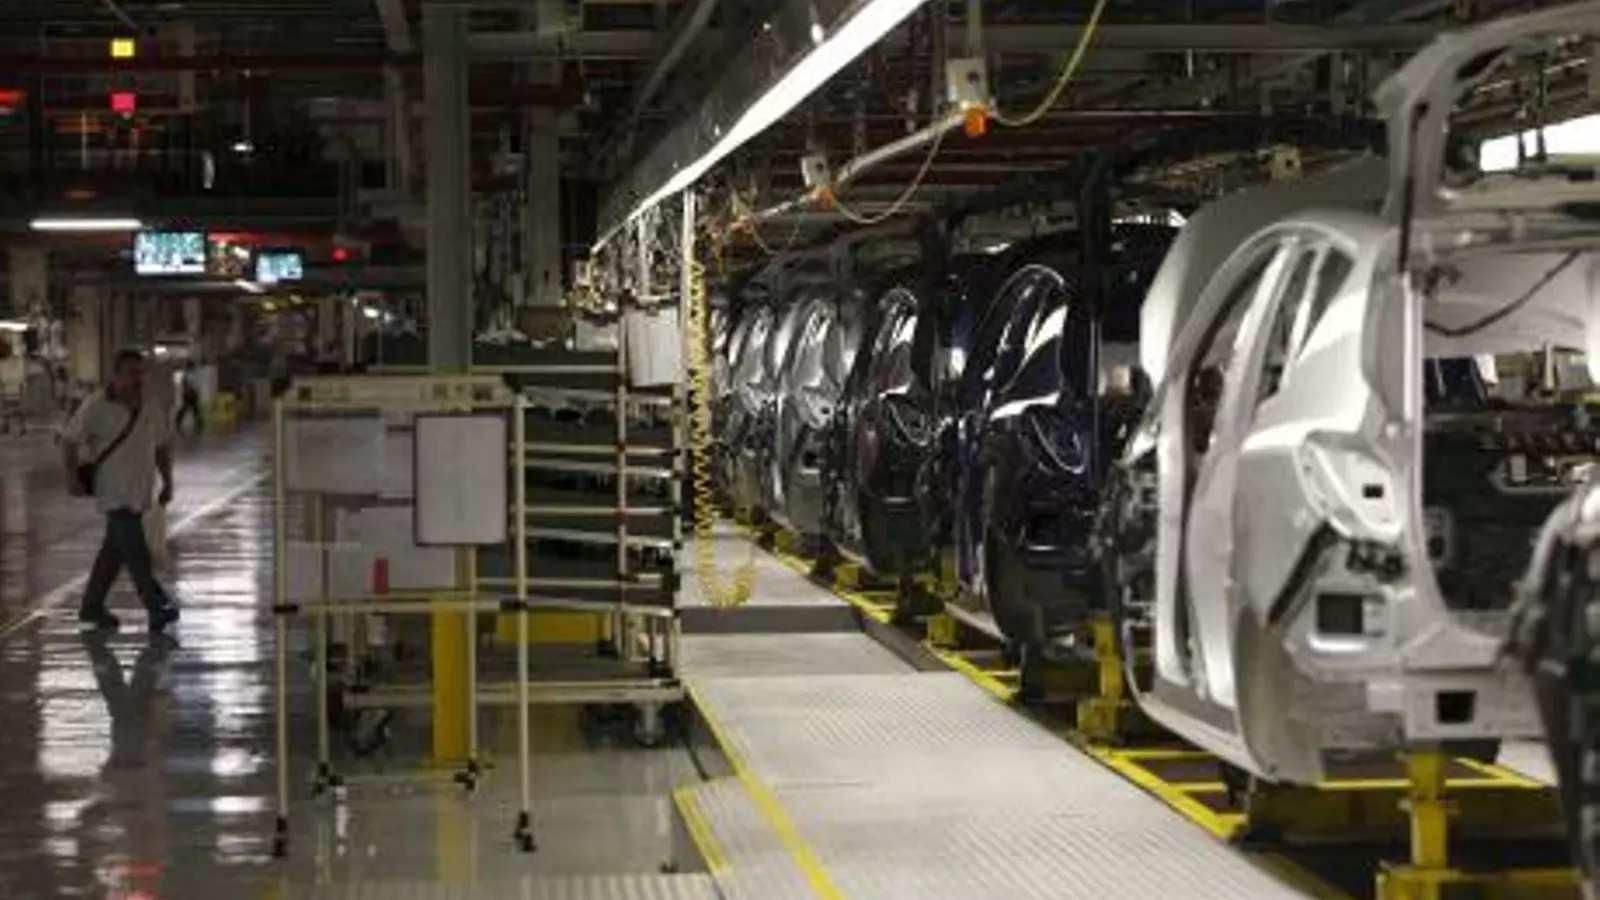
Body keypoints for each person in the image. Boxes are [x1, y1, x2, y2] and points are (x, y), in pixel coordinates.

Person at [59, 349, 180, 633]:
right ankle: (155, 605)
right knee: (136, 552)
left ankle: (92, 606)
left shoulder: (150, 405)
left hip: (140, 491)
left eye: (141, 374)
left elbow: (161, 446)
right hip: (113, 493)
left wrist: (168, 481)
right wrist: (72, 478)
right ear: (115, 375)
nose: (138, 379)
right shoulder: (97, 405)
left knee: (113, 552)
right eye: (131, 373)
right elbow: (68, 441)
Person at [175, 360, 203, 434]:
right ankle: (179, 419)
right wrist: (190, 391)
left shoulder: (189, 374)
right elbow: (187, 384)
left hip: (190, 393)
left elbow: (189, 384)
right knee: (190, 408)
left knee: (192, 408)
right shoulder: (189, 374)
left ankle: (199, 421)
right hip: (190, 393)